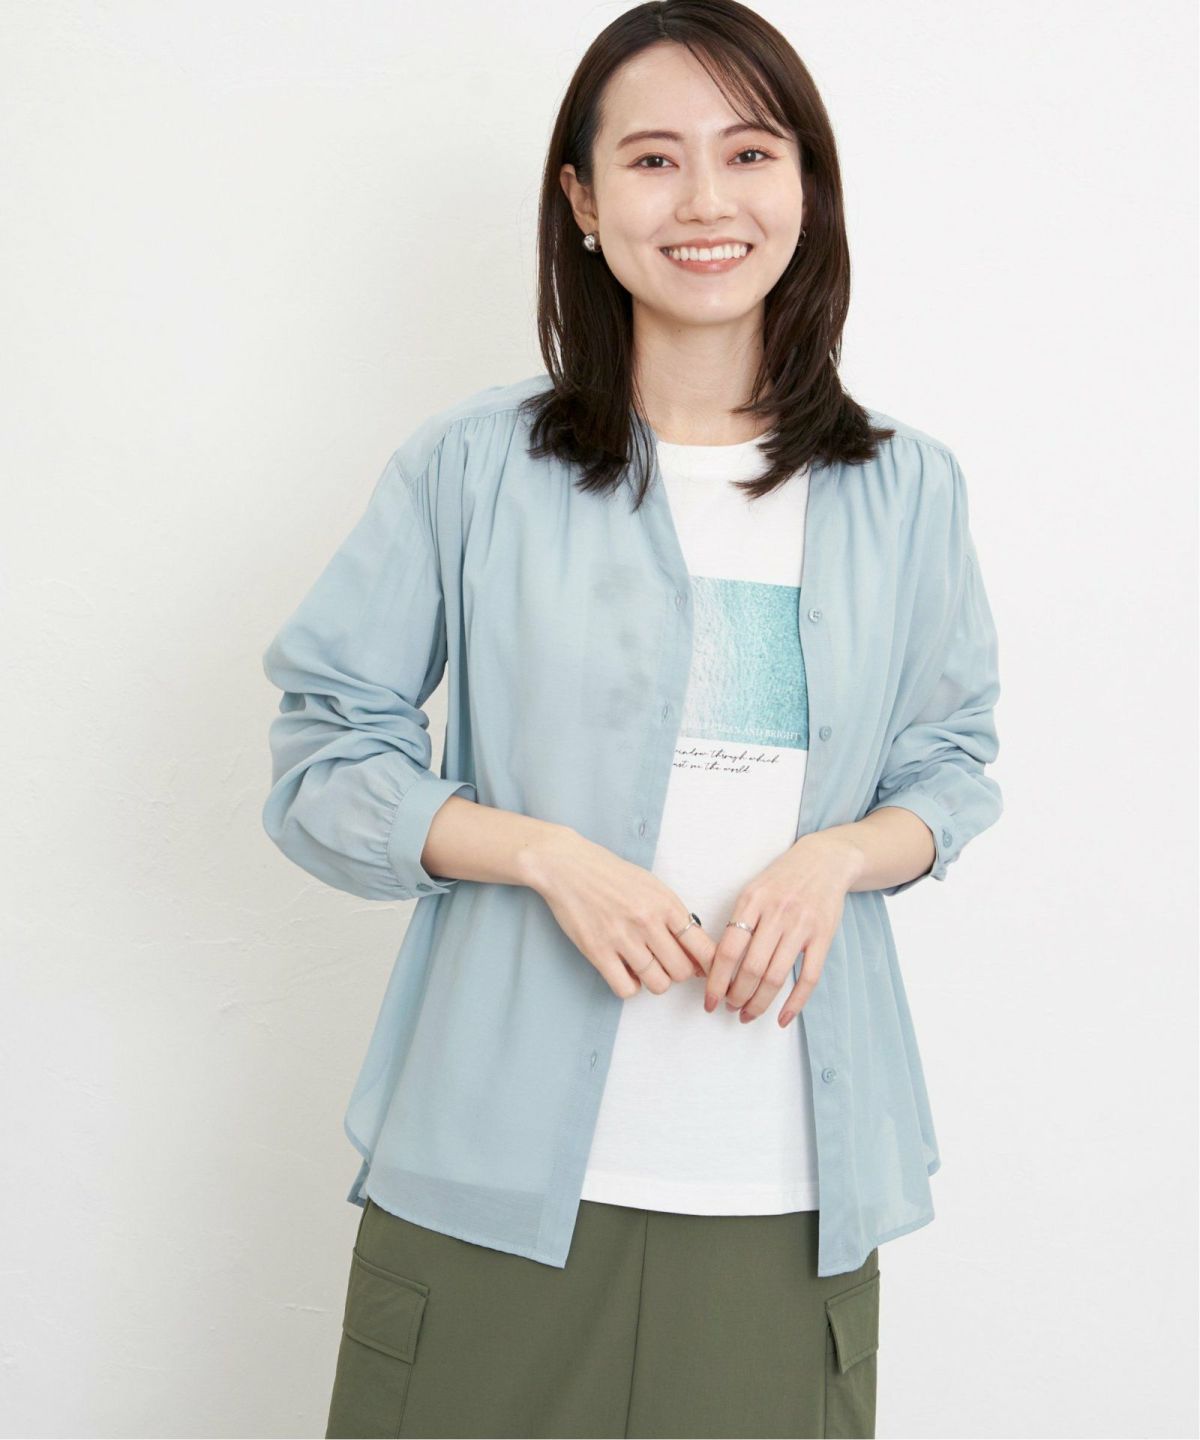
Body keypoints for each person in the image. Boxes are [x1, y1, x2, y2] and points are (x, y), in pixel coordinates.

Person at [260, 3, 1003, 1436]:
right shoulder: (475, 468)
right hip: (490, 1181)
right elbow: (324, 756)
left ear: (807, 188)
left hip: (789, 1190)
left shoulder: (907, 489)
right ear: (585, 203)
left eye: (750, 153)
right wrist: (540, 853)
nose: (707, 200)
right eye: (654, 160)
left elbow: (951, 766)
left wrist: (838, 857)